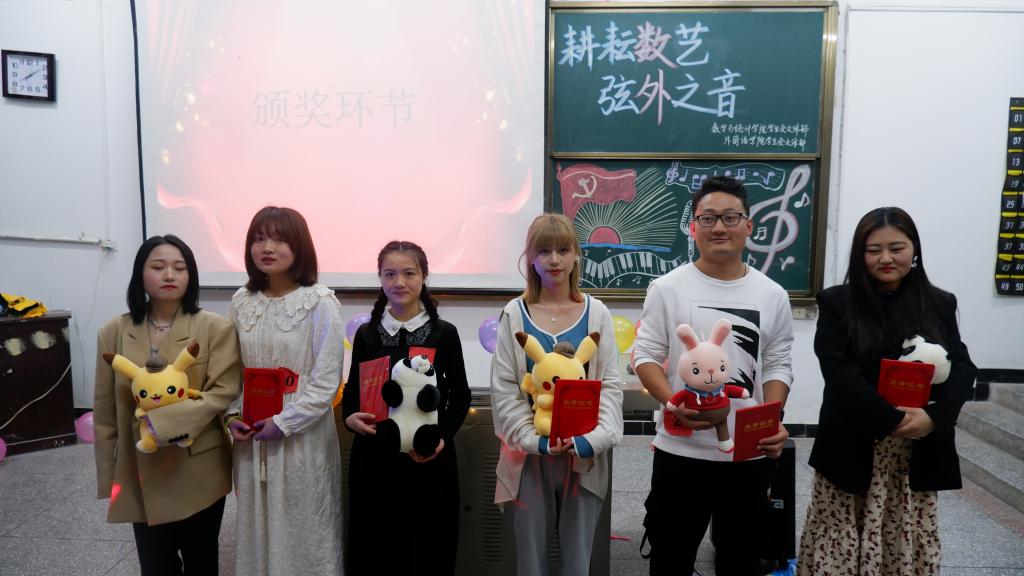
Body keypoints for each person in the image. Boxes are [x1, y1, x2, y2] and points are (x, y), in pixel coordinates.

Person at [798, 207, 976, 576]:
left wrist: (933, 418)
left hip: (914, 452)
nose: (885, 258)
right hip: (852, 445)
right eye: (873, 249)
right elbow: (839, 373)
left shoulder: (940, 303)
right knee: (841, 543)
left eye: (896, 248)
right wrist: (892, 419)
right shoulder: (837, 302)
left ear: (914, 250)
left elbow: (962, 367)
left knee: (903, 542)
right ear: (859, 255)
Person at [632, 175, 794, 576]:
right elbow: (646, 355)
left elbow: (778, 363)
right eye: (708, 218)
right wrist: (672, 402)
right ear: (693, 227)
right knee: (671, 559)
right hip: (680, 451)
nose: (719, 227)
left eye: (730, 217)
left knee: (740, 560)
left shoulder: (772, 294)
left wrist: (772, 418)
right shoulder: (667, 288)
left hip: (747, 452)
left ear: (749, 225)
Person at [94, 234, 241, 575]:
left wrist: (161, 425)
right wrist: (108, 475)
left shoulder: (215, 328)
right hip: (139, 466)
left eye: (179, 267)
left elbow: (223, 391)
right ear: (140, 274)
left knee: (202, 561)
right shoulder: (113, 331)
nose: (169, 275)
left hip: (198, 466)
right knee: (155, 564)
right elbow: (104, 409)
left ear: (191, 275)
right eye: (158, 267)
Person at [490, 213, 624, 576]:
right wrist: (537, 441)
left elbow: (610, 387)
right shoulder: (514, 314)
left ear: (576, 255)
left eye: (563, 250)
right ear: (530, 258)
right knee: (530, 562)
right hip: (528, 459)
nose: (554, 259)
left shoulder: (597, 313)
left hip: (584, 459)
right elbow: (505, 390)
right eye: (544, 251)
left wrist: (591, 440)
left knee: (578, 561)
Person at [225, 206, 344, 576]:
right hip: (252, 429)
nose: (267, 248)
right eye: (259, 239)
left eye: (279, 239)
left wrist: (285, 422)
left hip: (301, 432)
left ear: (299, 246)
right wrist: (231, 415)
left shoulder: (319, 301)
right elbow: (231, 369)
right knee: (256, 519)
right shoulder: (241, 301)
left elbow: (326, 380)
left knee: (304, 522)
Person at [342, 240, 471, 575]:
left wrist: (441, 438)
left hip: (427, 458)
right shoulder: (367, 334)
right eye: (390, 274)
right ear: (380, 278)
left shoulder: (444, 333)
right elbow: (353, 392)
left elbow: (460, 396)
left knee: (426, 546)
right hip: (375, 460)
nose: (399, 282)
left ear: (424, 276)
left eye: (409, 273)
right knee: (375, 545)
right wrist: (350, 418)